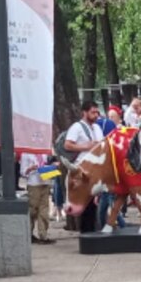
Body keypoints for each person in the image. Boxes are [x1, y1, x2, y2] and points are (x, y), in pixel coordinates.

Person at [64, 100, 105, 233]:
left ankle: (93, 229)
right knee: (85, 202)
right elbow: (68, 145)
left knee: (94, 202)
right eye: (93, 112)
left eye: (97, 112)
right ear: (84, 112)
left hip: (95, 169)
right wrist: (85, 146)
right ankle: (86, 231)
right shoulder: (77, 127)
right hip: (82, 169)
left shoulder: (97, 128)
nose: (96, 115)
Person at [21, 152, 55, 244]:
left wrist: (52, 167)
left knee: (44, 210)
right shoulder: (26, 154)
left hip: (45, 181)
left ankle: (43, 235)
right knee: (33, 210)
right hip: (34, 184)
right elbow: (22, 172)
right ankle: (29, 233)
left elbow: (47, 163)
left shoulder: (44, 152)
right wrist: (30, 169)